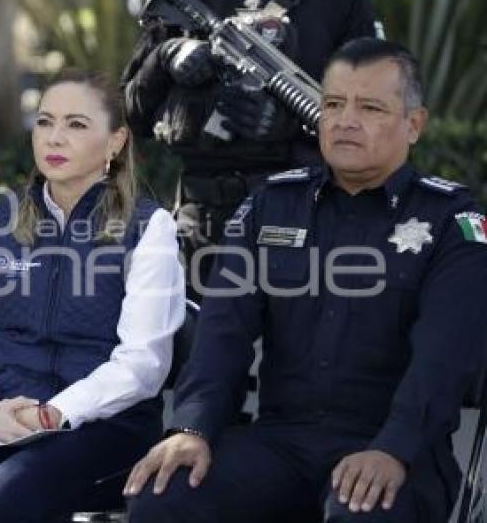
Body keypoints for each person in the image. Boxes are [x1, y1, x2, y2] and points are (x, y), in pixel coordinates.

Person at [122, 38, 487, 522]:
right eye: (333, 104)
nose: (345, 119)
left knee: (359, 510)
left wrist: (395, 448)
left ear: (413, 125)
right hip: (280, 443)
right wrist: (193, 428)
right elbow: (222, 333)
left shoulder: (450, 220)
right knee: (163, 495)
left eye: (371, 107)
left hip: (393, 447)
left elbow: (444, 358)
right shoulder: (272, 204)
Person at [0, 69, 186, 523]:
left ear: (115, 142)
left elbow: (143, 364)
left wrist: (53, 413)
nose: (54, 138)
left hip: (105, 425)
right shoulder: (4, 218)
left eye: (76, 125)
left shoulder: (148, 227)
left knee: (6, 497)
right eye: (44, 122)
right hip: (1, 413)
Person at [121, 0, 377, 296]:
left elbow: (375, 130)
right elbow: (128, 116)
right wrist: (166, 56)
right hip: (200, 230)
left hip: (298, 227)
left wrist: (285, 129)